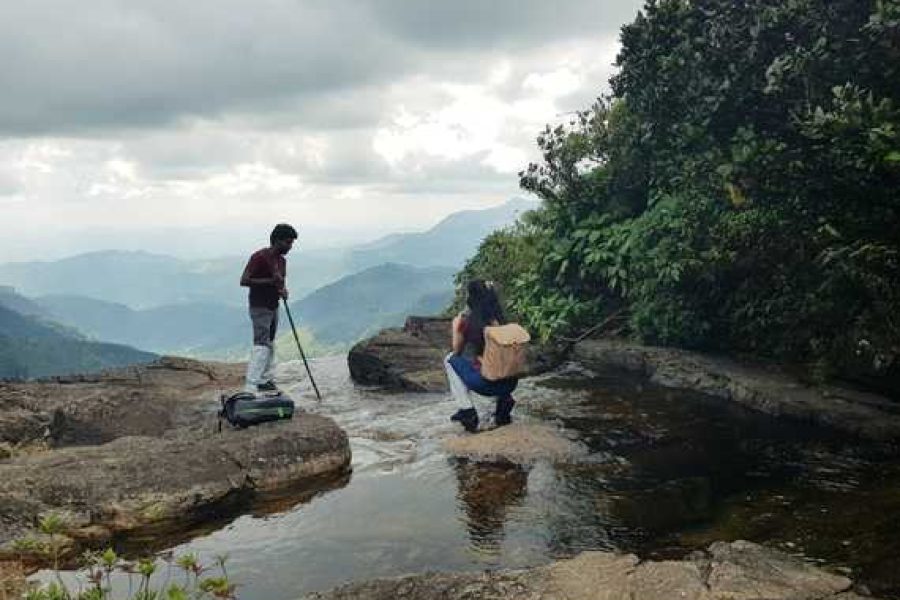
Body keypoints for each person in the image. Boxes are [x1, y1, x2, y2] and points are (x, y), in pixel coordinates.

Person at [445, 279, 518, 433]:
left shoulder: (469, 322)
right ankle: (504, 404)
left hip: (487, 384)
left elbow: (457, 351)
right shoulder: (503, 322)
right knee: (501, 361)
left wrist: (455, 327)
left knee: (450, 359)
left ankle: (467, 410)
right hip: (510, 383)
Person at [240, 223, 297, 393]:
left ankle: (264, 379)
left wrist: (282, 291)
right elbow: (244, 280)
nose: (290, 246)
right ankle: (251, 385)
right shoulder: (259, 257)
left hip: (273, 306)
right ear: (277, 240)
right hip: (259, 306)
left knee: (270, 343)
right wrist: (270, 282)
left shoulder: (281, 261)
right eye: (288, 242)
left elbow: (280, 283)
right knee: (261, 344)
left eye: (291, 243)